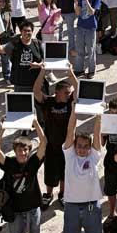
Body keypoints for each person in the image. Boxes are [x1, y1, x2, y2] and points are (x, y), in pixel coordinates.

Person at [0, 119, 47, 233]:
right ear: (14, 151)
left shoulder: (33, 162)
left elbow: (44, 142)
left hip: (32, 208)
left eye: (25, 150)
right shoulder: (9, 163)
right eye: (19, 150)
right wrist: (2, 130)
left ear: (29, 151)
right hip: (15, 211)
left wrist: (36, 123)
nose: (22, 153)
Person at [62, 106, 104, 233]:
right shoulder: (69, 154)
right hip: (72, 203)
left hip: (91, 202)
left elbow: (97, 135)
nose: (82, 149)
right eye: (79, 145)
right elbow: (70, 130)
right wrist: (74, 111)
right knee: (74, 232)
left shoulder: (94, 156)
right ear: (74, 146)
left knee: (92, 230)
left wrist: (98, 117)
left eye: (86, 146)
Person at [34, 67, 78, 208]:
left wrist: (70, 72)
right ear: (57, 92)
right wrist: (42, 71)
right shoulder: (49, 102)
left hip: (67, 144)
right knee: (50, 171)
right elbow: (36, 91)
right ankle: (48, 194)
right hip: (51, 144)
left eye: (69, 92)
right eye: (66, 92)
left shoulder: (70, 103)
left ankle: (63, 194)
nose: (68, 94)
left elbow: (78, 88)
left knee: (64, 172)